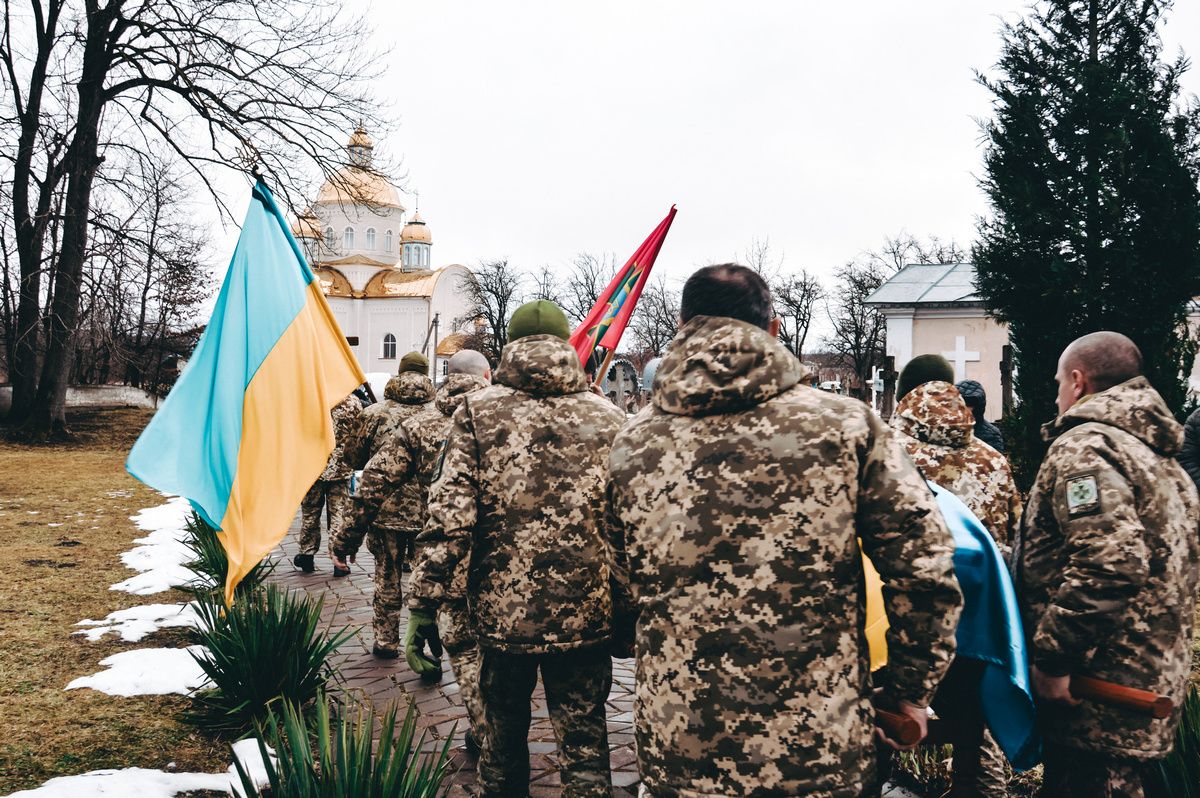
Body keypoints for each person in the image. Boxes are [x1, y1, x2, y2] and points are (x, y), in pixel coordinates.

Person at [605, 264, 964, 797]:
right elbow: (925, 571)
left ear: (683, 328)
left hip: (682, 744)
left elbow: (623, 582)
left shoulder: (631, 443)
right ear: (773, 330)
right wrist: (908, 692)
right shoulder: (849, 426)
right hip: (820, 746)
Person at [406, 300, 626, 798]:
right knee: (586, 746)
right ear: (566, 345)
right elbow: (625, 528)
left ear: (510, 345)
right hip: (585, 618)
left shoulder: (476, 413)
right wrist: (627, 610)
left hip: (501, 621)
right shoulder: (610, 417)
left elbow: (449, 518)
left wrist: (423, 602)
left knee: (502, 745)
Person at [1015, 331, 1200, 797]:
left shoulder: (1087, 448)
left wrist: (1055, 659)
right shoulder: (1156, 454)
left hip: (1098, 688)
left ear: (1078, 382)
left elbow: (1109, 563)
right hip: (1145, 676)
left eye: (1059, 382)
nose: (1057, 393)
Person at [891, 355, 1022, 796]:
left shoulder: (884, 451)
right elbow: (1010, 542)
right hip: (976, 629)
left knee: (874, 731)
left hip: (897, 623)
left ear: (902, 393)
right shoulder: (992, 460)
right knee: (975, 733)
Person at [356, 349, 492, 750]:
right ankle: (437, 650)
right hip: (453, 531)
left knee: (388, 578)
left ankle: (387, 639)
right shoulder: (490, 418)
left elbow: (366, 466)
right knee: (451, 599)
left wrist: (346, 535)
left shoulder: (389, 416)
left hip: (390, 516)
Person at [334, 351, 433, 577]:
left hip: (383, 510)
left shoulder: (374, 414)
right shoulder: (441, 415)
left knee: (386, 580)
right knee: (425, 582)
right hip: (427, 512)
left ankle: (386, 614)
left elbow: (353, 459)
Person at [294, 392, 361, 573]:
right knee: (338, 514)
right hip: (341, 468)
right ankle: (339, 558)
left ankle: (306, 554)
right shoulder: (353, 403)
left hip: (313, 466)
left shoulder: (309, 400)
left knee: (310, 512)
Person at [957, 379, 1005, 453]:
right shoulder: (946, 428)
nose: (965, 408)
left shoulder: (991, 434)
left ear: (978, 406)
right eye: (961, 403)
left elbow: (995, 462)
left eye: (969, 403)